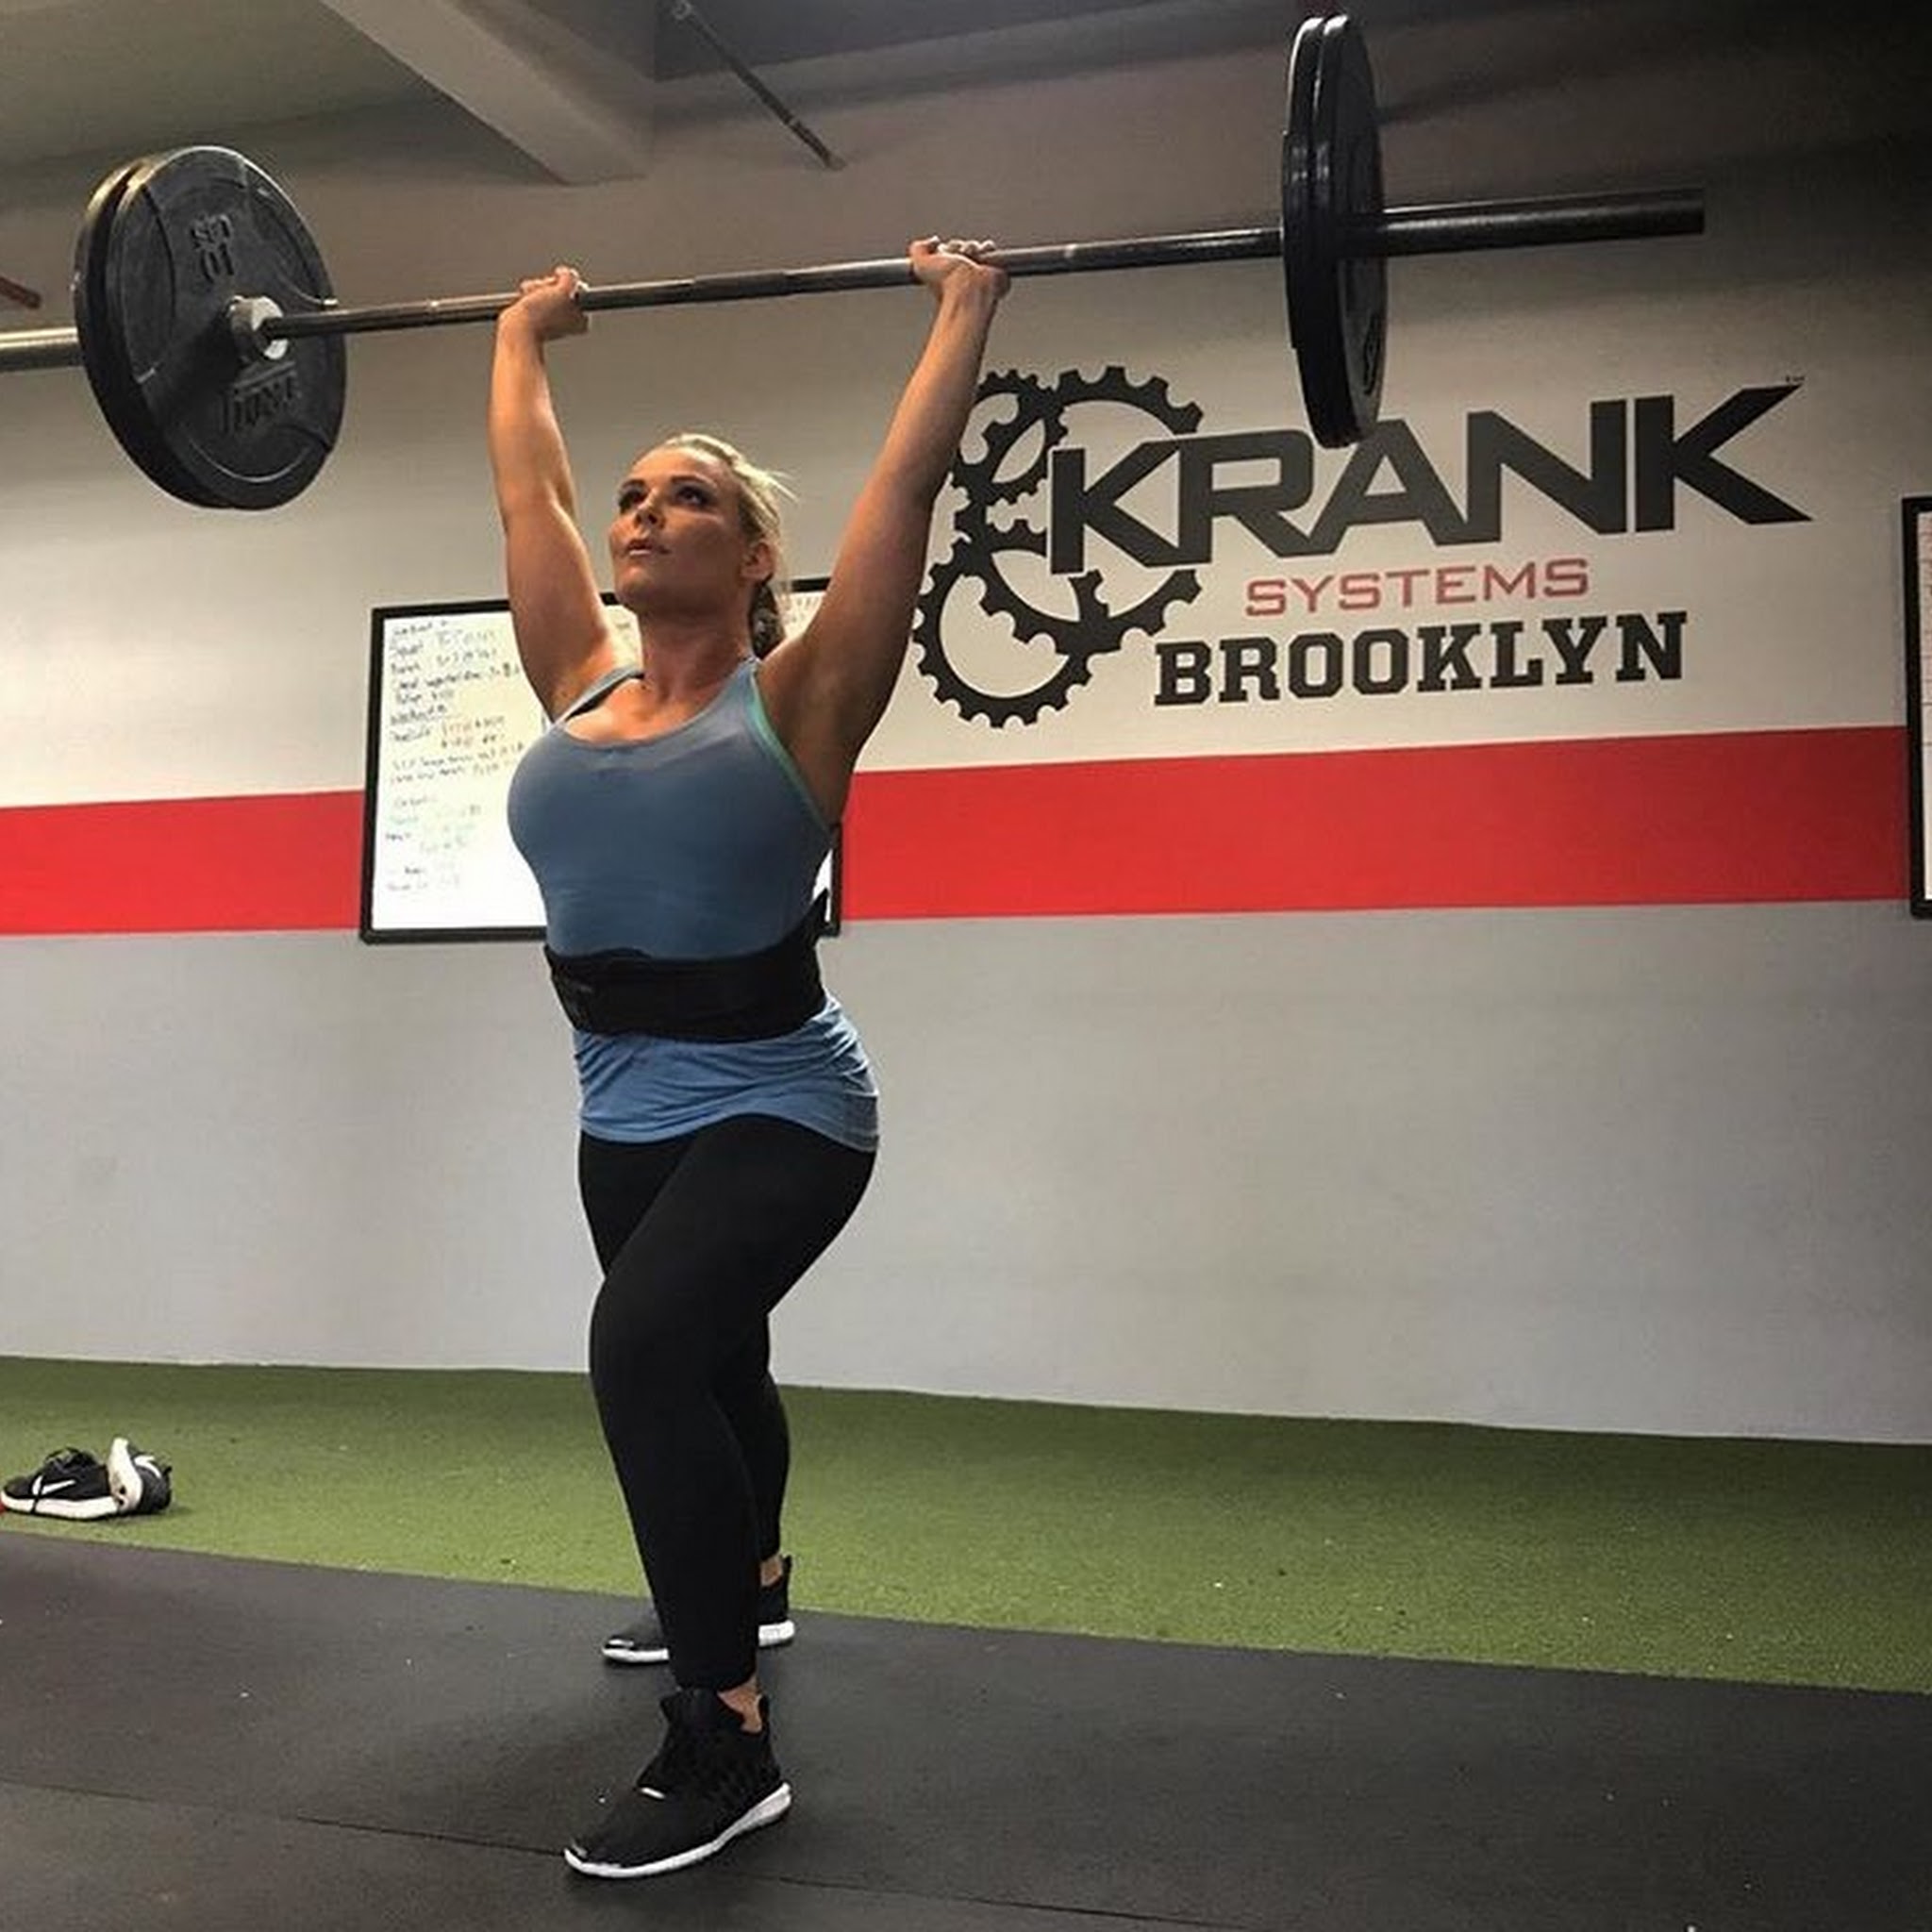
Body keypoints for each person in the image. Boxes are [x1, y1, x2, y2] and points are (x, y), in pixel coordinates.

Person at [489, 235, 1009, 1881]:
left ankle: (726, 1739)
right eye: (637, 497)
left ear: (757, 555)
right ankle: (755, 1579)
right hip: (622, 1110)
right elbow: (530, 497)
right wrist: (520, 336)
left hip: (787, 1102)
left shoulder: (805, 702)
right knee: (715, 1366)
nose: (645, 515)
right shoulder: (576, 684)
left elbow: (906, 493)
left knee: (641, 1351)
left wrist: (966, 306)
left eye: (690, 498)